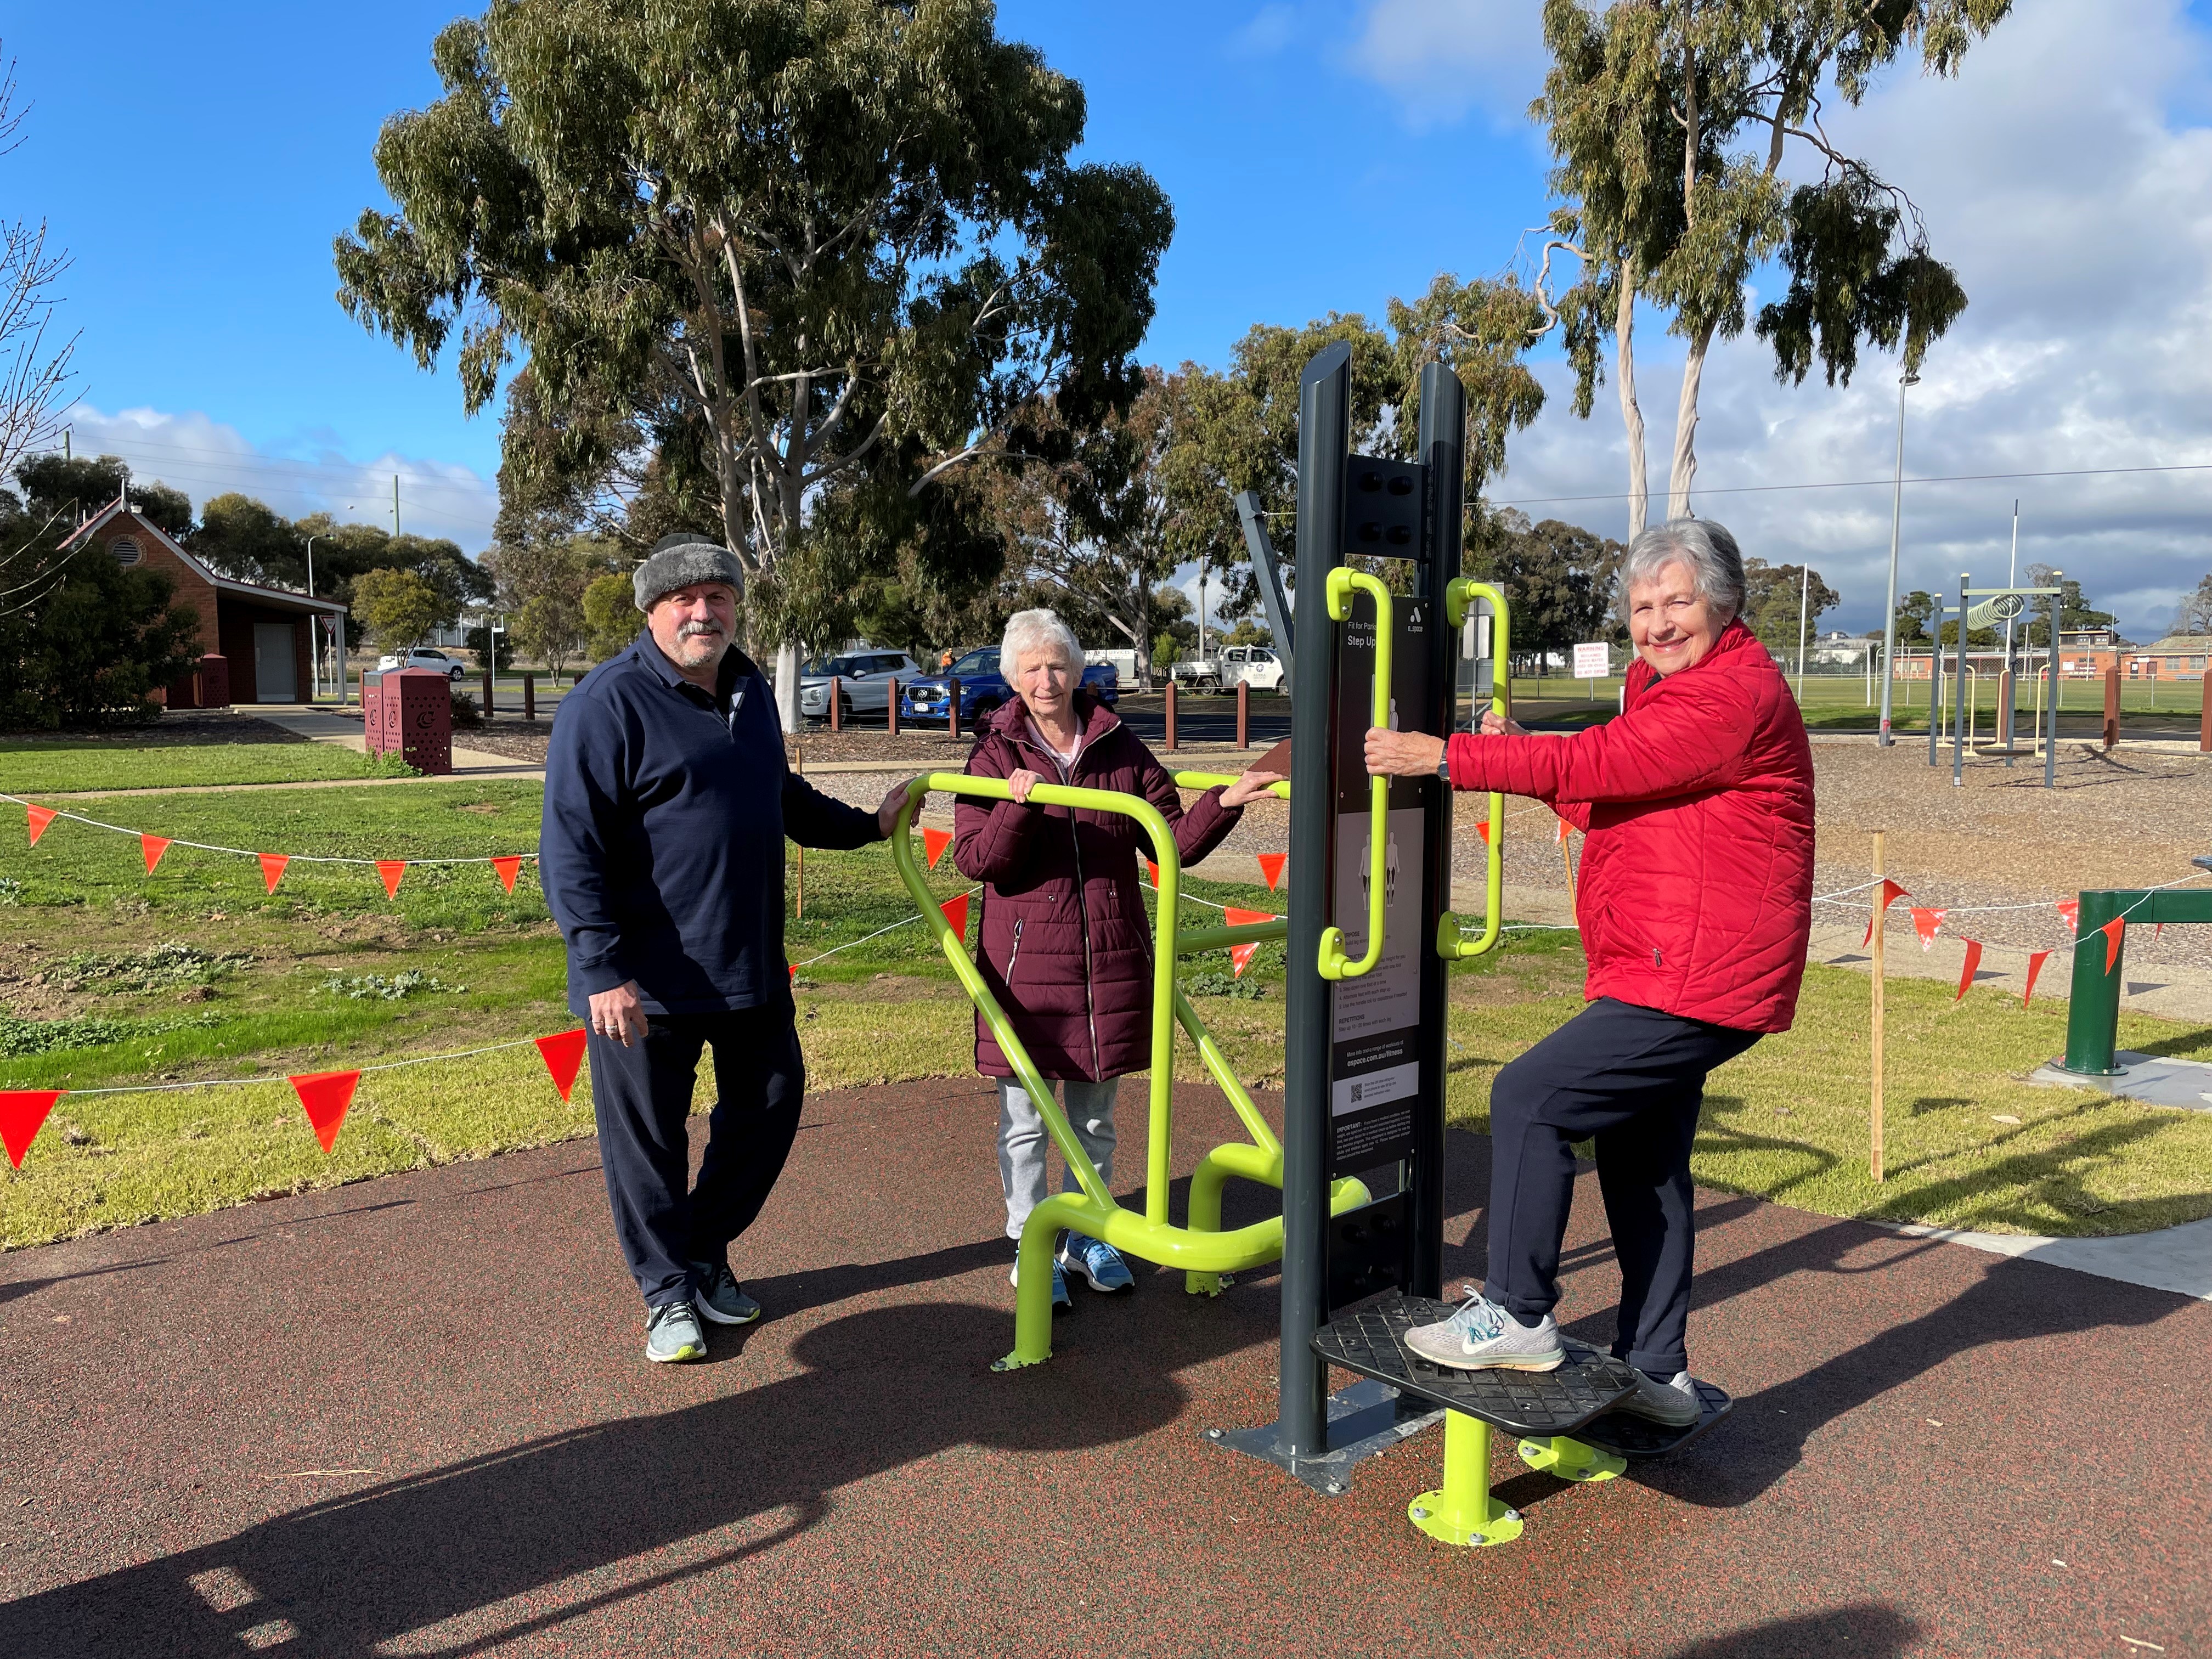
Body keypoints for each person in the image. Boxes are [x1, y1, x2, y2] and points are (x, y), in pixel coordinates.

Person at [1364, 518, 1814, 1425]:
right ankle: (1658, 1369)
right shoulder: (1669, 690)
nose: (1657, 622)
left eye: (1678, 601)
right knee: (1644, 1159)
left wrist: (1447, 755)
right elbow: (1619, 782)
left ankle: (1518, 1311)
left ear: (1721, 604)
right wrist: (1525, 749)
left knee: (1532, 1094)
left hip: (1694, 971)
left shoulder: (1730, 694)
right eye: (1643, 605)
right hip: (1670, 961)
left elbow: (1604, 760)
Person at [541, 535, 911, 1365]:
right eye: (685, 600)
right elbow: (571, 846)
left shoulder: (747, 689)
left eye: (718, 598)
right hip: (642, 984)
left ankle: (700, 1250)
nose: (703, 612)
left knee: (772, 1105)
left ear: (737, 607)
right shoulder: (605, 704)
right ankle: (666, 1293)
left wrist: (868, 826)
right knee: (649, 1145)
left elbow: (777, 796)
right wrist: (601, 967)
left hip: (747, 965)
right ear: (652, 612)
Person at [952, 609, 1282, 1306]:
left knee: (1096, 1116)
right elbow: (978, 861)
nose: (1047, 680)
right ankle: (1031, 1240)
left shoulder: (1116, 743)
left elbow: (1175, 839)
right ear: (1014, 677)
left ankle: (1089, 1233)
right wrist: (1017, 808)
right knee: (1026, 1119)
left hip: (1108, 956)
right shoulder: (994, 754)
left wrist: (1225, 800)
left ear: (1078, 671)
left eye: (1059, 665)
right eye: (1033, 668)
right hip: (1028, 968)